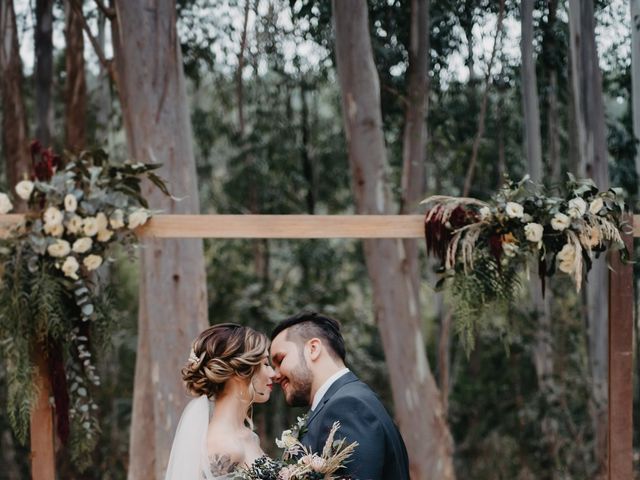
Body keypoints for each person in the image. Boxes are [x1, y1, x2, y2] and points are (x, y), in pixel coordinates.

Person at [270, 311, 410, 480]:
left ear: (313, 349)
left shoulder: (348, 407)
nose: (275, 375)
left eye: (280, 360)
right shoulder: (348, 399)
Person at [165, 323, 275, 480]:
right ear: (240, 372)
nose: (273, 374)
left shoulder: (249, 437)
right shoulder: (223, 445)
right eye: (265, 364)